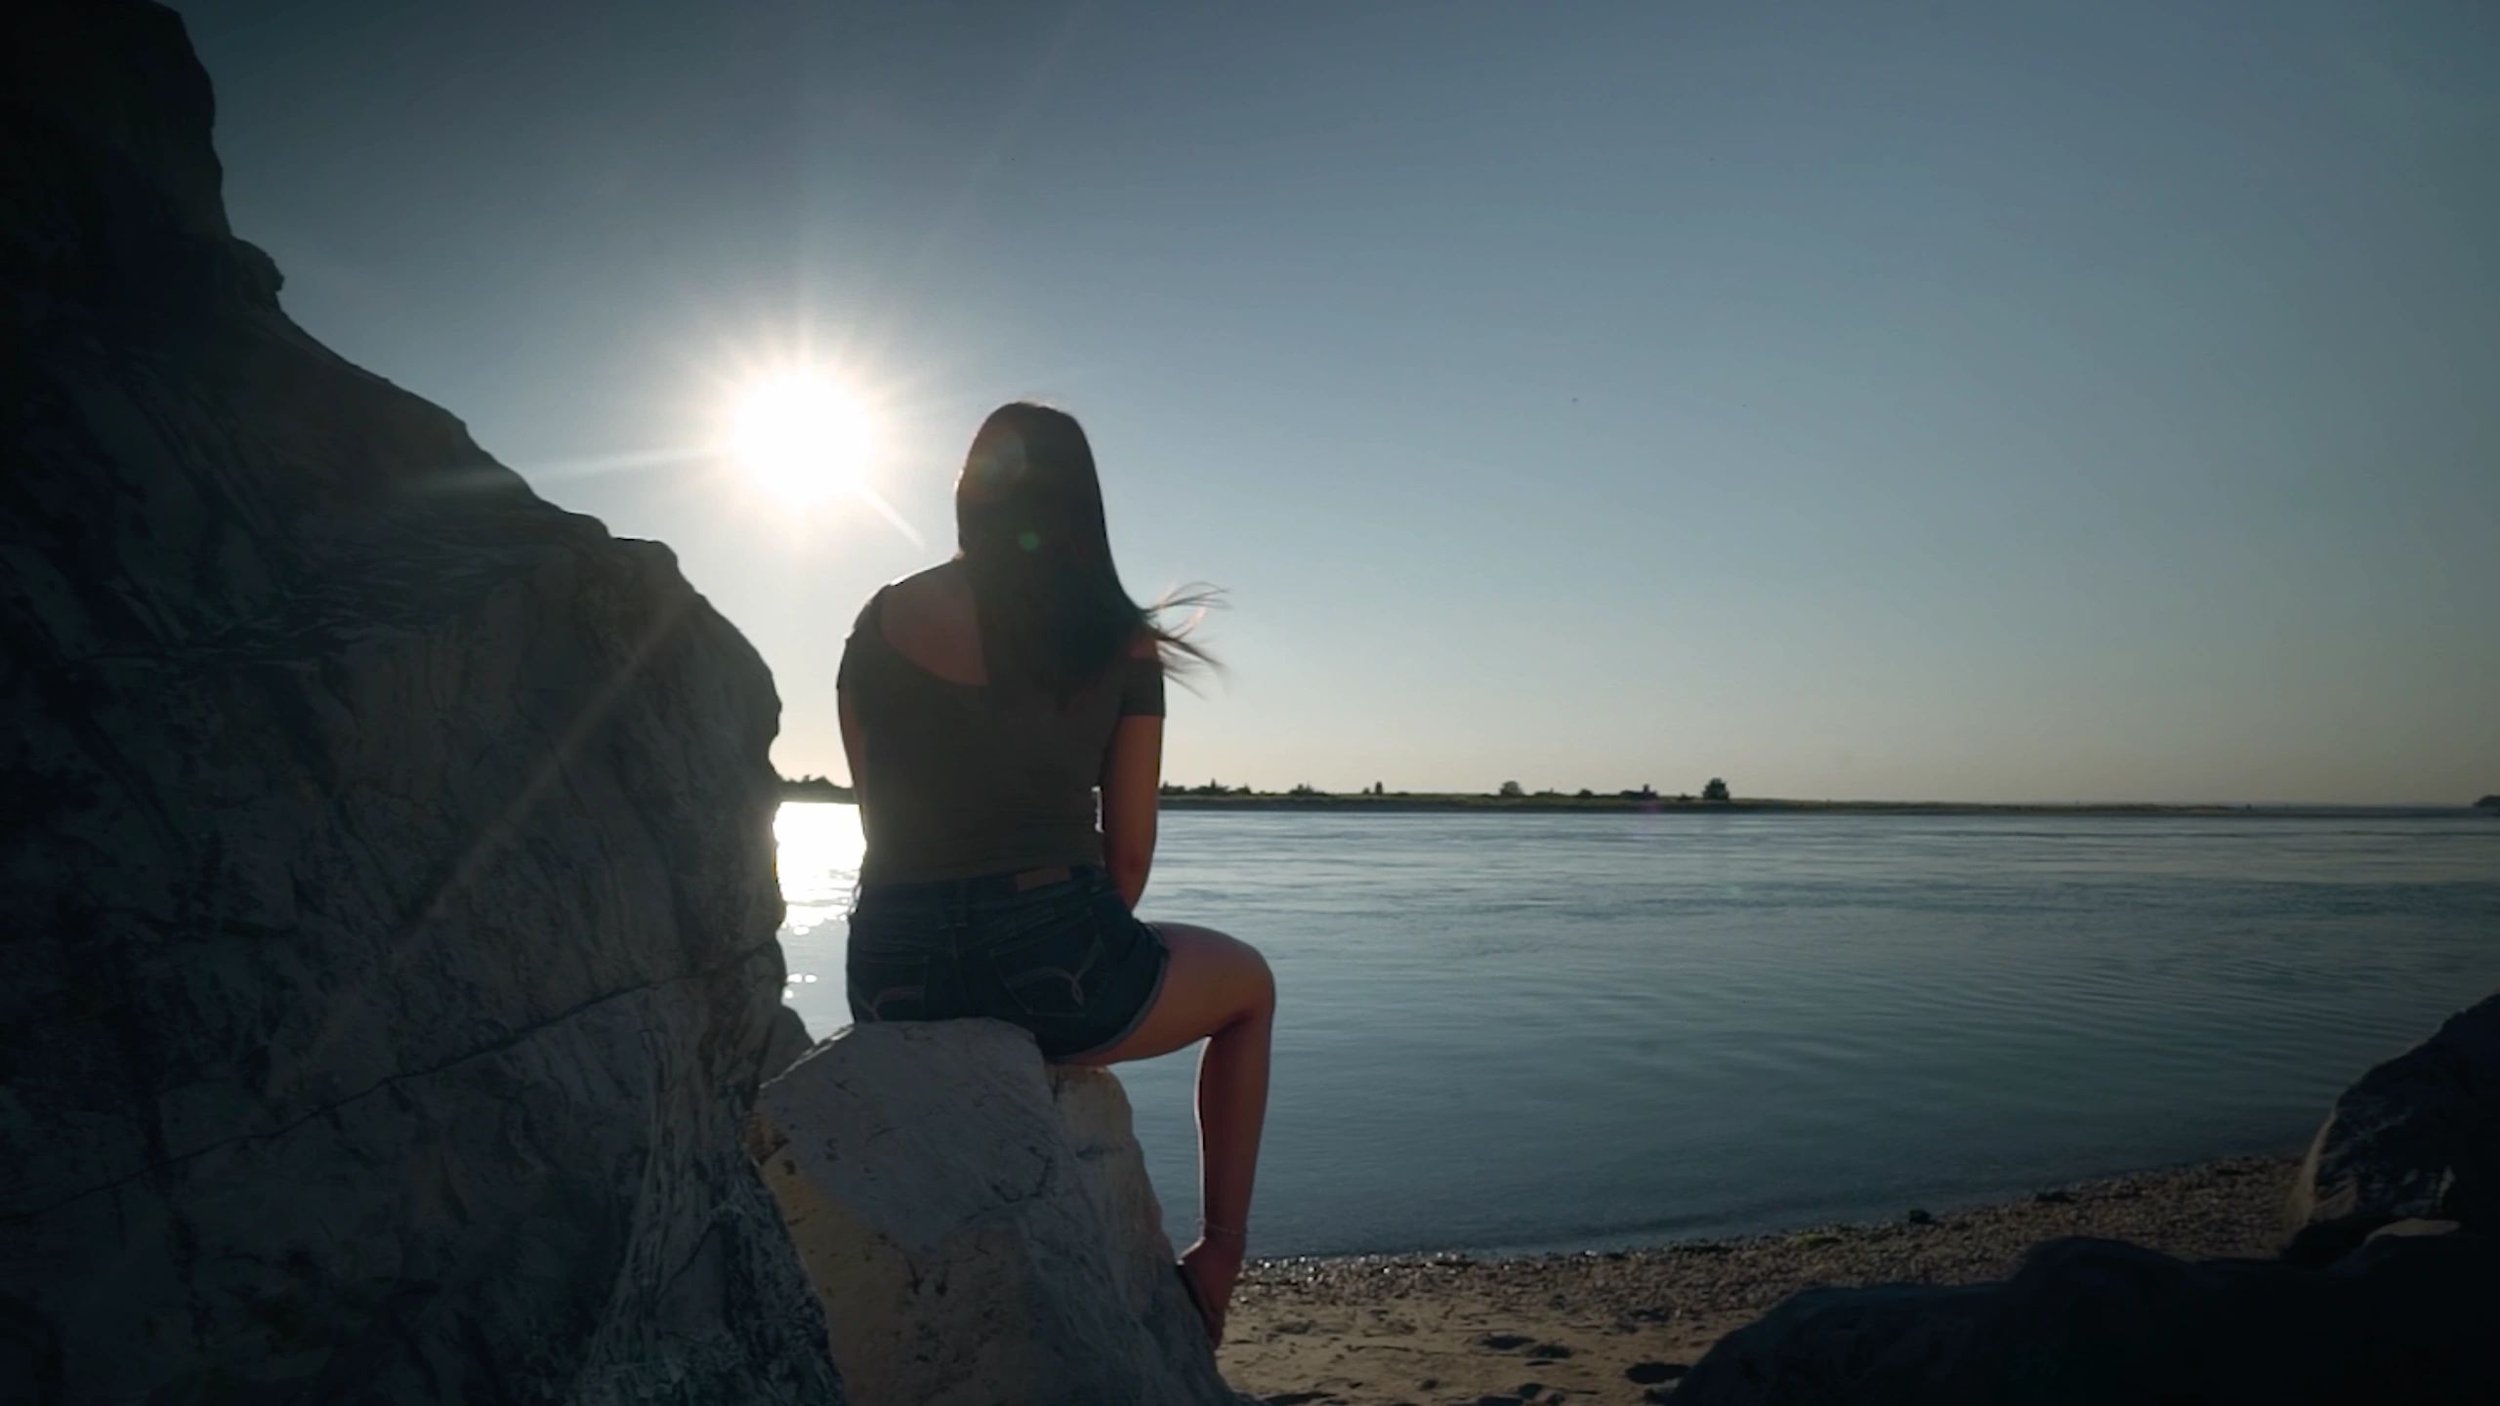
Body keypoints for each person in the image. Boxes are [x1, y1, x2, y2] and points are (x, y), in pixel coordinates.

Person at [835, 402, 1275, 1347]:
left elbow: (878, 821)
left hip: (888, 973)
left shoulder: (880, 619)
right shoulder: (1115, 638)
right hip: (1053, 952)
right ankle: (1221, 1259)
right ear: (1083, 503)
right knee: (1250, 987)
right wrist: (1075, 963)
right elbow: (1128, 855)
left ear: (967, 495)